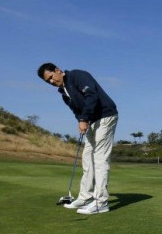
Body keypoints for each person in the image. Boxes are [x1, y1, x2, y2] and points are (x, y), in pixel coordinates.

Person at [37, 63, 118, 215]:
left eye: (51, 78)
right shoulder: (63, 93)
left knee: (99, 159)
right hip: (91, 121)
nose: (52, 82)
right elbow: (76, 111)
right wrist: (81, 120)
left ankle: (101, 202)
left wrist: (84, 118)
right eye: (48, 82)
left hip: (106, 116)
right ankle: (85, 197)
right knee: (87, 158)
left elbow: (91, 95)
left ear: (58, 70)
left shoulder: (77, 76)